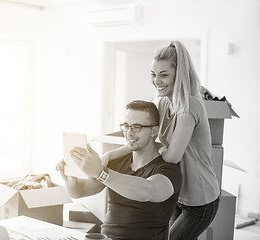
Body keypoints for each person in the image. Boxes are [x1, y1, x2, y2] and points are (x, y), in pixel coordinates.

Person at [104, 41, 220, 240]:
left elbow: (172, 155)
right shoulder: (161, 101)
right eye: (153, 74)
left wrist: (154, 146)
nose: (156, 80)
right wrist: (109, 156)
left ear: (179, 73)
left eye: (164, 74)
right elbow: (139, 134)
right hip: (177, 193)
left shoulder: (190, 106)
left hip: (200, 200)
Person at [57, 100, 182, 240]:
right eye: (126, 126)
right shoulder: (116, 162)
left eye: (136, 127)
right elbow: (80, 191)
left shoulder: (168, 169)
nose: (129, 133)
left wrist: (100, 172)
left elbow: (147, 191)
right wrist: (71, 177)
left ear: (154, 131)